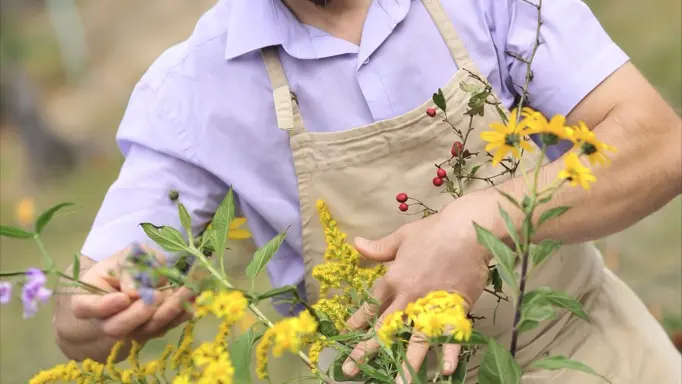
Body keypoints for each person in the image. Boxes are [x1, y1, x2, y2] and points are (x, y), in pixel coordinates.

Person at [52, 0, 682, 382]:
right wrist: (106, 311)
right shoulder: (193, 89)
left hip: (591, 352)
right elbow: (96, 299)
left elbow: (656, 144)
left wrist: (485, 218)